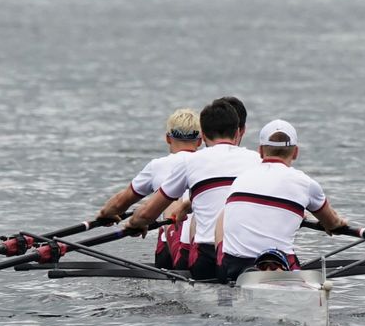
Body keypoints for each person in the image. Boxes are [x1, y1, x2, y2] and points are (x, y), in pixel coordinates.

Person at [123, 97, 258, 280]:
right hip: (251, 256)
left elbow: (132, 207)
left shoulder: (187, 163)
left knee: (172, 205)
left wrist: (133, 223)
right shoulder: (257, 161)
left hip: (197, 257)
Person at [214, 119, 348, 281]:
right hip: (277, 266)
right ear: (296, 152)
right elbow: (332, 223)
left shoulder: (240, 179)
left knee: (222, 216)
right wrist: (336, 223)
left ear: (261, 151)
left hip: (234, 266)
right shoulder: (306, 183)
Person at [92, 109, 203, 269]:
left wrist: (105, 215)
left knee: (166, 213)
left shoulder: (157, 166)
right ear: (199, 141)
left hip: (176, 250)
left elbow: (120, 203)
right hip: (209, 246)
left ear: (167, 138)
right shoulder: (212, 163)